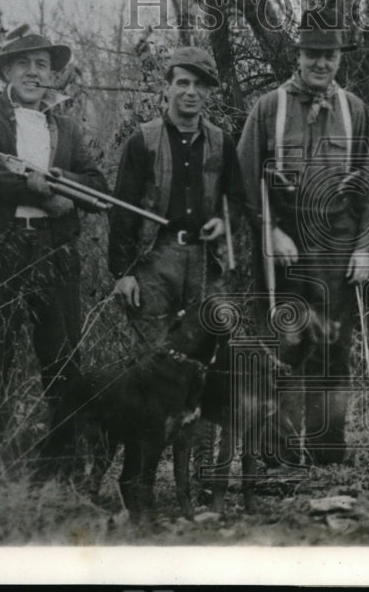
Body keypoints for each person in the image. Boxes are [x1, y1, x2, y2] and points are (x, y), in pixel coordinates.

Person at [0, 32, 108, 477]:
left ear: (53, 74)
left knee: (63, 362)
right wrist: (34, 190)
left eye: (42, 65)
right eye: (24, 65)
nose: (34, 73)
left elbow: (97, 187)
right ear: (5, 72)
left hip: (53, 251)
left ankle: (59, 470)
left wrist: (62, 180)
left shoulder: (68, 128)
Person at [237, 26, 369, 466]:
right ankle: (275, 455)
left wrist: (364, 248)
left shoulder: (354, 109)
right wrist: (269, 231)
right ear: (298, 56)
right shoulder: (269, 107)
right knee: (283, 346)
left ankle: (327, 453)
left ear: (340, 58)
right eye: (312, 54)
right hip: (284, 244)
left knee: (333, 348)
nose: (321, 63)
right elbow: (244, 181)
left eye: (329, 55)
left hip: (336, 244)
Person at [107, 46, 245, 486]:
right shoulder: (142, 140)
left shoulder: (222, 140)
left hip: (204, 261)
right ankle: (139, 481)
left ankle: (203, 478)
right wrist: (123, 272)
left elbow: (237, 202)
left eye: (199, 85)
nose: (189, 92)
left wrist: (220, 225)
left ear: (208, 93)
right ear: (166, 87)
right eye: (181, 82)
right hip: (154, 260)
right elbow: (122, 210)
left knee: (208, 367)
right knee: (154, 368)